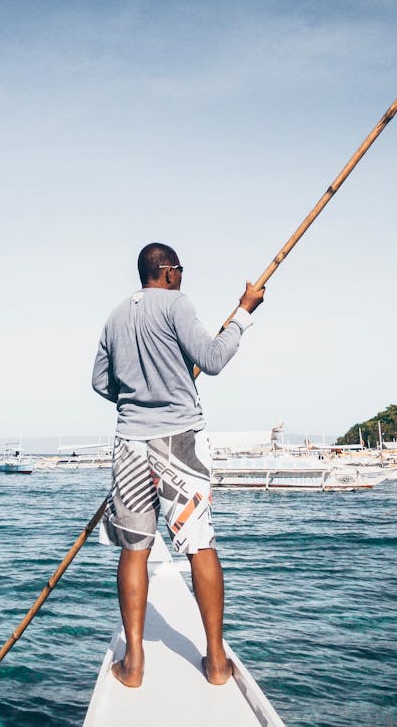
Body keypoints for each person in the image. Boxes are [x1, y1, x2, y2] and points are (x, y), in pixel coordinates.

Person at [91, 242, 264, 689]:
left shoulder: (114, 316)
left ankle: (132, 666)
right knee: (199, 544)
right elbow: (213, 360)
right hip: (179, 441)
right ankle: (217, 663)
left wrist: (136, 394)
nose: (183, 276)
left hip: (130, 443)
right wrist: (244, 311)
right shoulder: (176, 304)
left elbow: (98, 382)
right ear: (166, 272)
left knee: (134, 549)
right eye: (180, 269)